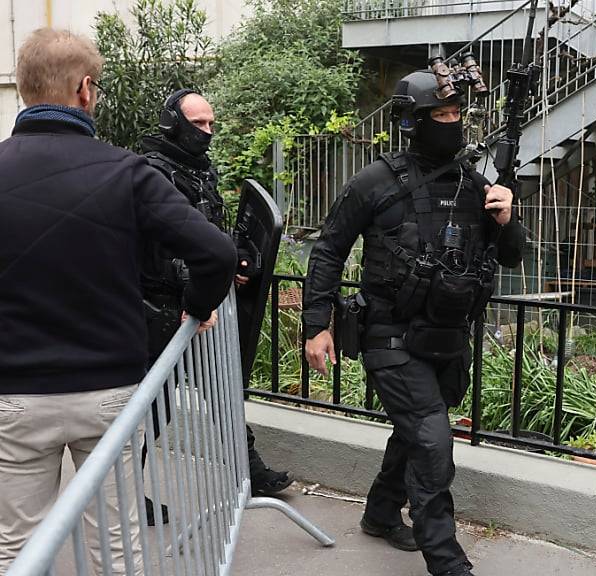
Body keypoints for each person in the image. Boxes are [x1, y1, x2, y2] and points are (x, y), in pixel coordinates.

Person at [0, 28, 236, 574]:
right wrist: (197, 310)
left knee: (16, 549)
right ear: (86, 90)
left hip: (13, 393)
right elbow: (216, 254)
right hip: (108, 389)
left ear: (24, 89)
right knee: (115, 545)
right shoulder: (126, 172)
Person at [303, 69, 525, 576]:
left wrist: (509, 217)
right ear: (413, 121)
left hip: (446, 336)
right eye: (440, 116)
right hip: (389, 335)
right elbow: (328, 252)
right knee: (431, 442)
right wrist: (318, 326)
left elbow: (511, 255)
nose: (452, 124)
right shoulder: (373, 182)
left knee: (415, 431)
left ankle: (380, 515)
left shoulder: (476, 183)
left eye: (456, 115)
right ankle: (448, 563)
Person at [138, 88, 293, 513]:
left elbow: (204, 232)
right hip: (165, 309)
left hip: (200, 305)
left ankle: (251, 470)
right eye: (198, 124)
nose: (207, 132)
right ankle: (126, 496)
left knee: (221, 391)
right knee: (154, 408)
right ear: (173, 124)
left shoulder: (197, 170)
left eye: (211, 123)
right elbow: (157, 250)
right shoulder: (153, 173)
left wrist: (235, 255)